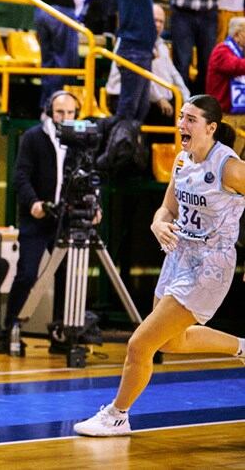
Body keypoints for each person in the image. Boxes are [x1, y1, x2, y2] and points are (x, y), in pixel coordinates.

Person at [74, 94, 245, 436]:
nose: (182, 124)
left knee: (140, 344)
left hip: (211, 265)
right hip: (178, 256)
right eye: (181, 116)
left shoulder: (229, 166)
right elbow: (166, 208)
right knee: (170, 341)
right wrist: (157, 223)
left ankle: (117, 414)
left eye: (191, 119)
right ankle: (241, 347)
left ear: (211, 128)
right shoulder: (182, 160)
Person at [0, 90, 80, 353]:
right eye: (60, 112)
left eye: (69, 113)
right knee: (27, 273)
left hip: (65, 218)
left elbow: (86, 174)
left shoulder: (78, 139)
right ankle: (9, 333)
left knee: (67, 276)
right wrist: (33, 203)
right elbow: (21, 176)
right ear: (50, 112)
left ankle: (60, 336)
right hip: (37, 216)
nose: (64, 117)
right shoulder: (33, 137)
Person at [106, 3, 190, 123]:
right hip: (127, 97)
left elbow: (174, 74)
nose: (158, 25)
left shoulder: (161, 45)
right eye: (155, 20)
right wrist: (159, 98)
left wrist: (188, 98)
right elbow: (142, 76)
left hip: (155, 100)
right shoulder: (130, 41)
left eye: (161, 21)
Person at [116, 0, 169, 121]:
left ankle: (131, 145)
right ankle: (118, 145)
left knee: (141, 107)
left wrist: (151, 45)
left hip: (143, 50)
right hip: (132, 50)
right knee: (129, 106)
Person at [205, 16, 245, 153]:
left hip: (239, 113)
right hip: (224, 115)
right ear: (237, 34)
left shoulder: (241, 53)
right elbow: (235, 66)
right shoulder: (221, 50)